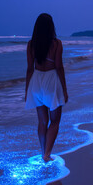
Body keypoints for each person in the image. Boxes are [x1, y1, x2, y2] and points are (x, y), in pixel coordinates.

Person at [25, 13, 68, 162]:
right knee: (55, 121)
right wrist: (64, 89)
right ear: (51, 27)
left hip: (36, 82)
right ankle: (47, 154)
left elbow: (30, 69)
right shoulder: (56, 44)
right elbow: (59, 67)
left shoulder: (31, 44)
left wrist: (27, 91)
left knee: (42, 121)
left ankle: (43, 151)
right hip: (51, 81)